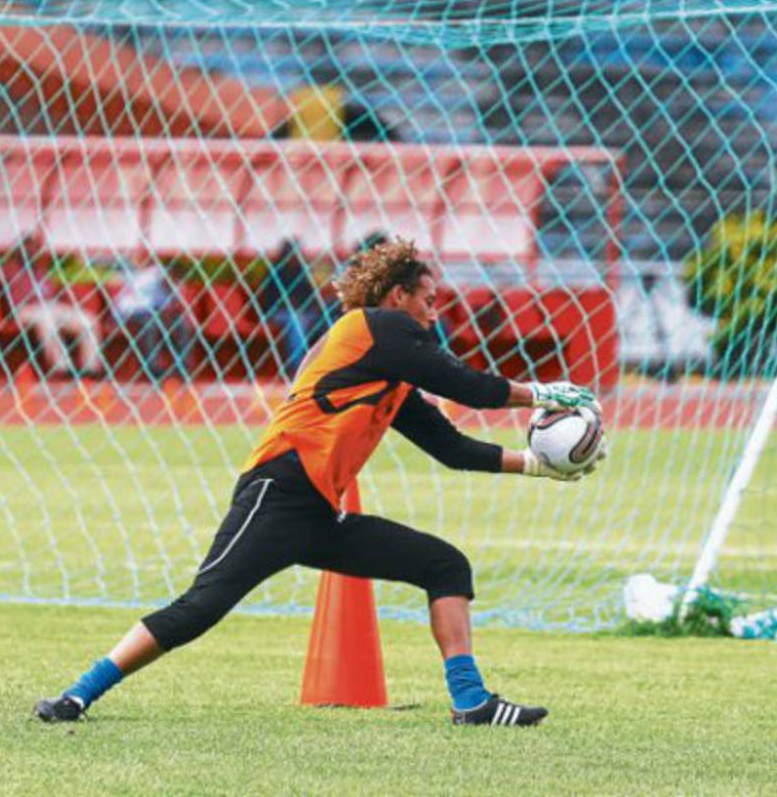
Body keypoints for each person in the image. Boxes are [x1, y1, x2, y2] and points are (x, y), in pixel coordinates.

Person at [34, 238, 605, 726]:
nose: (435, 314)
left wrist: (539, 467)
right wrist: (547, 393)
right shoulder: (370, 328)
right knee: (200, 608)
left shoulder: (389, 373)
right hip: (276, 492)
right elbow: (469, 389)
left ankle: (472, 702)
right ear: (396, 298)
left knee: (444, 565)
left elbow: (451, 448)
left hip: (317, 513)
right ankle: (77, 694)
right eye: (428, 301)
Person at [5, 240, 103, 377]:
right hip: (26, 309)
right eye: (27, 249)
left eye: (33, 250)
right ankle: (62, 368)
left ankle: (91, 368)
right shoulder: (8, 269)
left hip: (51, 306)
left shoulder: (41, 271)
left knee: (89, 320)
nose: (30, 253)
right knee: (46, 320)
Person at [111, 259, 192, 381]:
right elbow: (134, 305)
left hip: (155, 313)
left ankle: (183, 367)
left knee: (182, 324)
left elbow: (174, 308)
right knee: (149, 325)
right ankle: (154, 369)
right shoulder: (147, 279)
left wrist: (173, 300)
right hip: (131, 311)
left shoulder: (176, 284)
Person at [260, 239, 323, 379]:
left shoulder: (301, 271)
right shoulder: (275, 271)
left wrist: (310, 306)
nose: (296, 257)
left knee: (325, 318)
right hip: (279, 313)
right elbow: (269, 300)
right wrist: (290, 305)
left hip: (305, 312)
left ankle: (322, 364)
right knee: (297, 322)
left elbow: (311, 295)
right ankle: (297, 366)